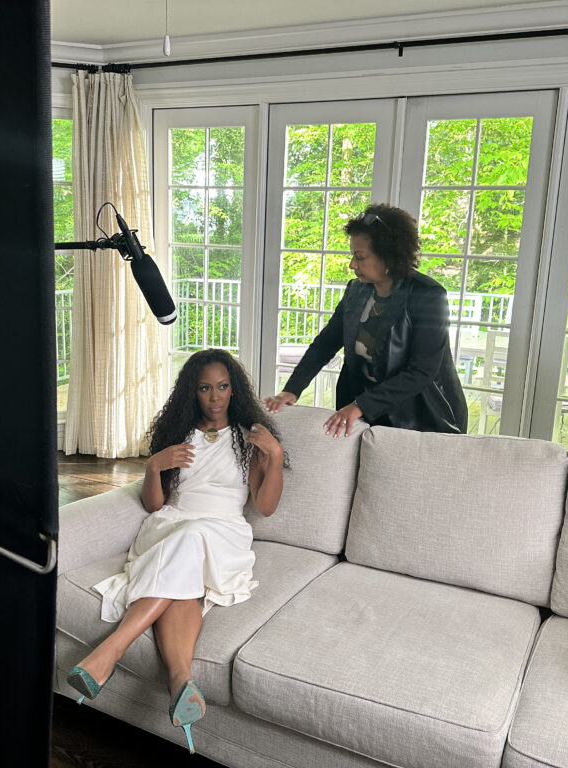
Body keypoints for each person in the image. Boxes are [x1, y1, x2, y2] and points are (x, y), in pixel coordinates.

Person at [66, 349, 286, 753]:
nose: (215, 397)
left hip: (222, 532)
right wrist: (154, 466)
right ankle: (181, 680)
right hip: (170, 524)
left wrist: (275, 455)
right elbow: (154, 504)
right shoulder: (178, 434)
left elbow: (266, 506)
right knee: (183, 581)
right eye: (205, 388)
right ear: (192, 392)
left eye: (222, 387)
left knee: (192, 539)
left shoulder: (250, 438)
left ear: (234, 390)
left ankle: (110, 651)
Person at [264, 202, 468, 436]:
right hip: (365, 409)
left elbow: (421, 371)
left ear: (389, 257)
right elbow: (324, 345)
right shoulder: (356, 291)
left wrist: (360, 406)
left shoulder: (428, 295)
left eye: (360, 257)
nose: (352, 264)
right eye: (353, 256)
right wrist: (292, 390)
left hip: (419, 416)